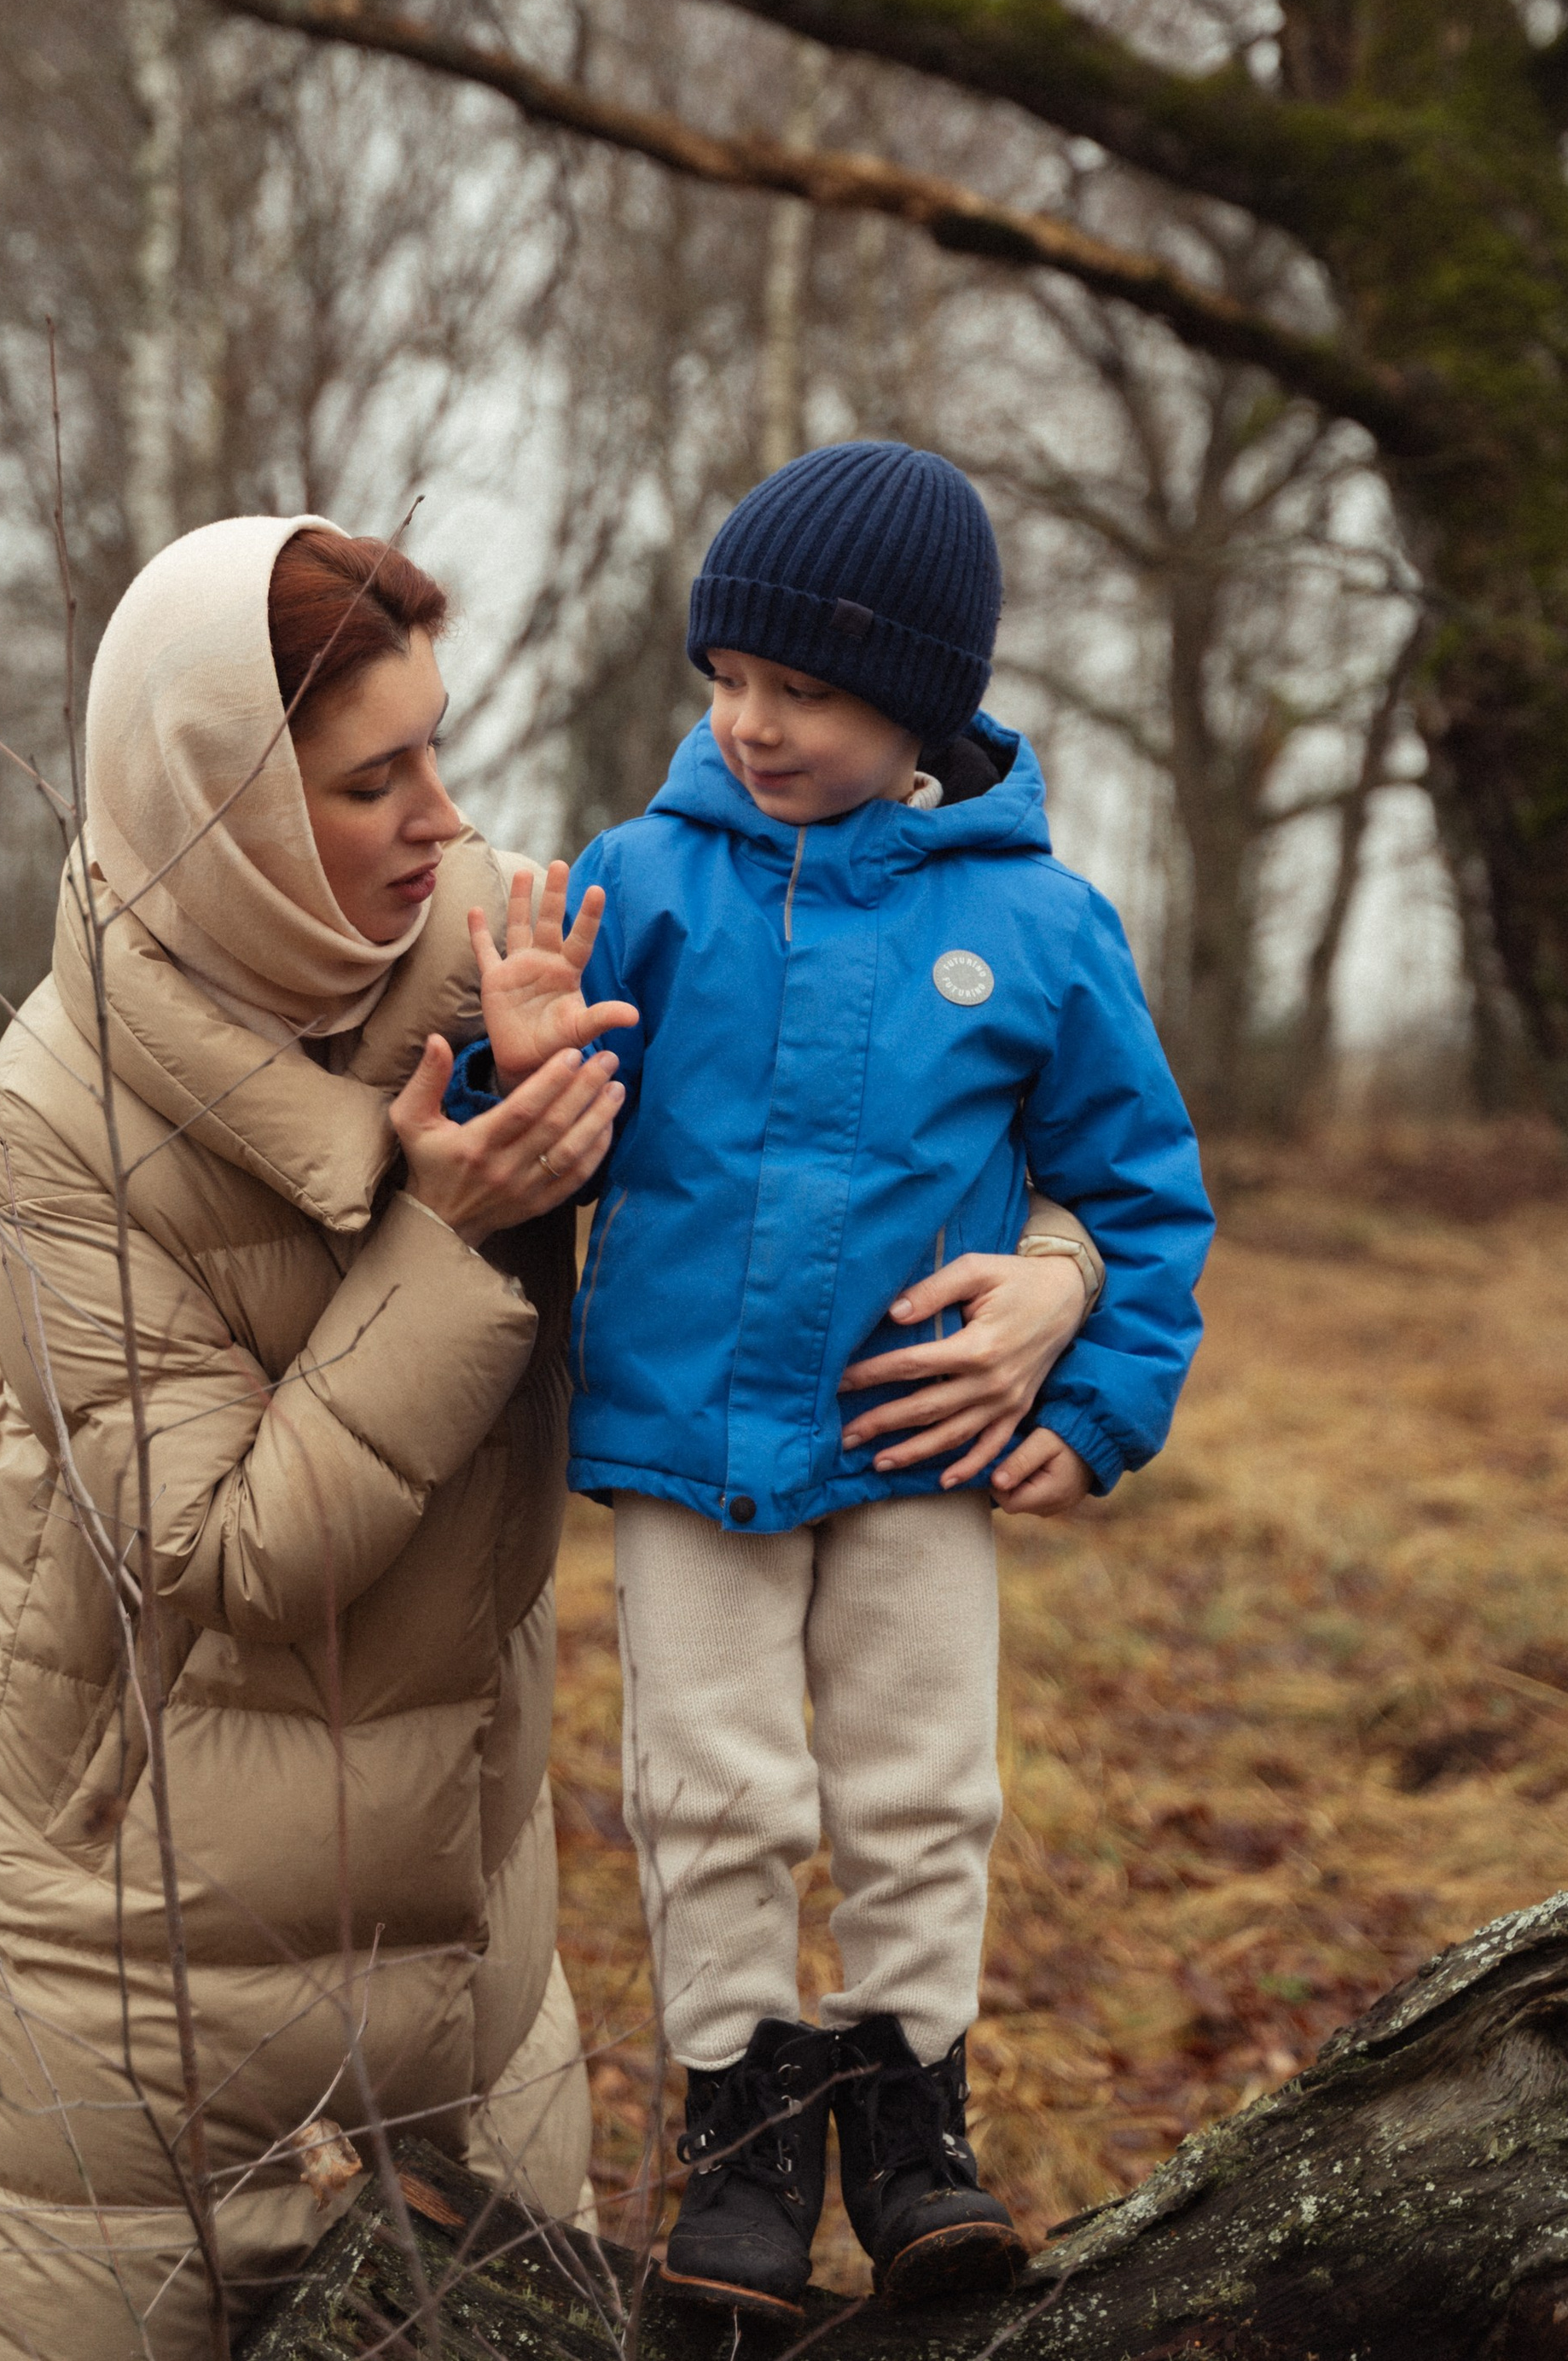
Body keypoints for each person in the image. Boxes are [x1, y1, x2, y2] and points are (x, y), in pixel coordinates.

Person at [461, 439, 1213, 2318]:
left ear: (920, 705)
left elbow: (1138, 1188)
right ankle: (734, 2134)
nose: (752, 721)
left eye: (801, 689)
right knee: (712, 1788)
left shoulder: (1038, 926)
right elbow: (520, 1135)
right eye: (728, 680)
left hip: (917, 1439)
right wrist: (506, 1062)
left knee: (918, 1782)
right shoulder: (642, 881)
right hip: (684, 1442)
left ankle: (909, 2121)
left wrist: (1097, 1399)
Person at [0, 516, 625, 2361]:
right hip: (136, 1986)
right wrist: (454, 1236)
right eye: (368, 777)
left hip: (471, 1951)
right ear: (214, 801)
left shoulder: (503, 954)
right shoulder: (56, 1115)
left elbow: (845, 1151)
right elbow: (230, 1551)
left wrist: (1056, 1274)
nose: (436, 815)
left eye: (438, 752)